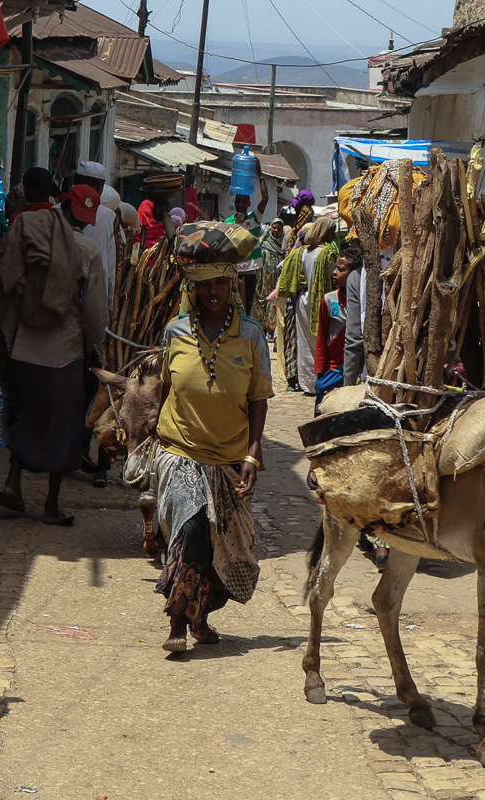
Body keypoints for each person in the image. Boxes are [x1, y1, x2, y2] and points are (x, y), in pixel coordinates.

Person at [153, 259, 272, 652]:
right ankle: (177, 622)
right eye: (204, 284)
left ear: (232, 285)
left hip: (229, 459)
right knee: (192, 526)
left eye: (220, 282)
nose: (213, 291)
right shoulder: (175, 331)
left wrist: (253, 454)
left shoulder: (252, 335)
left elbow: (258, 398)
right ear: (195, 289)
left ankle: (200, 617)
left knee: (225, 549)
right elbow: (165, 388)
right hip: (180, 450)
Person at [0, 185, 108, 525]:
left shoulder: (31, 234)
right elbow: (95, 313)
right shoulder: (87, 250)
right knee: (64, 430)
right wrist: (96, 349)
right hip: (63, 356)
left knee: (28, 416)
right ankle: (51, 507)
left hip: (23, 350)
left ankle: (13, 483)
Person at [69, 161, 122, 487]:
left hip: (83, 316)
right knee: (97, 390)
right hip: (94, 316)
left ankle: (92, 457)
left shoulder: (101, 217)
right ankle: (90, 458)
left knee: (92, 389)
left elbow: (111, 269)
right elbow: (112, 272)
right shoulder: (103, 217)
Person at [277, 216, 337, 395]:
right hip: (322, 303)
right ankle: (320, 383)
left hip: (303, 303)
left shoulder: (301, 252)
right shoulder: (328, 254)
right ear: (323, 232)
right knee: (322, 343)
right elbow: (333, 281)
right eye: (331, 231)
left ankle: (307, 384)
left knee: (305, 344)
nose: (333, 234)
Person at [314, 244, 358, 409]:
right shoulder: (328, 300)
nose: (334, 272)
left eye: (341, 269)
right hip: (332, 368)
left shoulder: (364, 302)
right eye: (335, 268)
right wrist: (320, 370)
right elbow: (322, 336)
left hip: (353, 368)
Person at [226, 164, 271, 315]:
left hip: (250, 269)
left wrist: (260, 174)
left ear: (248, 204)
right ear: (235, 203)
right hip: (233, 270)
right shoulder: (228, 222)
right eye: (238, 202)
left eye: (244, 202)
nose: (240, 205)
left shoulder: (253, 219)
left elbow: (265, 198)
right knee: (232, 304)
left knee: (247, 304)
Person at [254, 218, 285, 333]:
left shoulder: (283, 246)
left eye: (279, 229)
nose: (276, 230)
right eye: (274, 227)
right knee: (261, 306)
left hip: (275, 284)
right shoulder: (263, 245)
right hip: (262, 285)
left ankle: (272, 331)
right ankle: (263, 329)